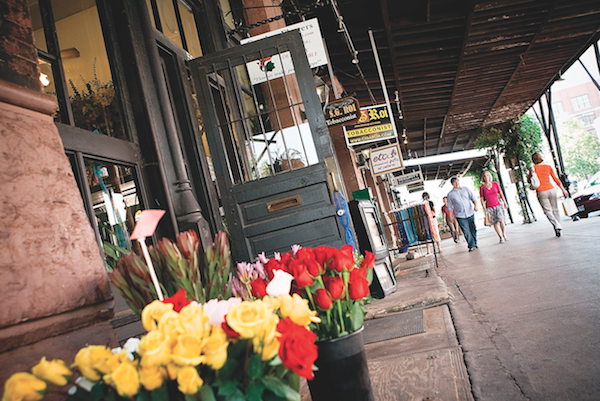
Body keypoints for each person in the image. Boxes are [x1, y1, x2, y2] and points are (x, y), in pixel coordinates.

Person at [528, 152, 569, 237]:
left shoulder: (533, 169)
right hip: (551, 189)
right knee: (555, 209)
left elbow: (529, 180)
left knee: (547, 211)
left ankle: (557, 225)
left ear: (533, 160)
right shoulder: (548, 167)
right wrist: (563, 189)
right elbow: (555, 179)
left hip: (541, 191)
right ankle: (558, 227)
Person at [446, 177, 479, 252]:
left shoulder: (465, 189)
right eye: (455, 182)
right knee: (466, 231)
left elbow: (473, 198)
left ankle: (475, 243)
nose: (457, 183)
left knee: (473, 229)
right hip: (460, 215)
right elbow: (450, 206)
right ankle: (471, 245)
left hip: (470, 212)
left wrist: (476, 206)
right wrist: (450, 216)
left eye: (458, 181)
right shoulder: (450, 194)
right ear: (452, 184)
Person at [479, 171, 509, 243]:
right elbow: (481, 198)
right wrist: (484, 208)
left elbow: (500, 193)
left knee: (501, 220)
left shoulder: (495, 184)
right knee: (494, 222)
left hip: (498, 205)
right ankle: (500, 237)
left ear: (490, 176)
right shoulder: (482, 187)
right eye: (485, 176)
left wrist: (505, 202)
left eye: (487, 175)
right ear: (483, 178)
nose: (486, 177)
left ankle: (504, 234)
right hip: (489, 207)